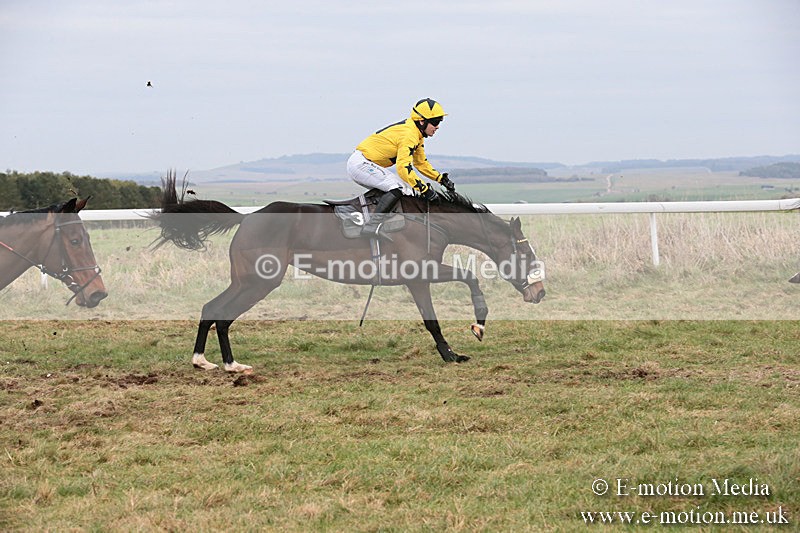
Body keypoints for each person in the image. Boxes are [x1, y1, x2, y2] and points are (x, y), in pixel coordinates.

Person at [347, 98, 456, 239]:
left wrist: (440, 179)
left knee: (407, 192)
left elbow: (420, 163)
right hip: (360, 164)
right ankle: (371, 227)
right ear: (421, 121)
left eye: (440, 122)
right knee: (397, 187)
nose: (437, 127)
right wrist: (425, 190)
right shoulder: (409, 135)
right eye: (435, 122)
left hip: (366, 163)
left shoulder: (417, 135)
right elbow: (404, 168)